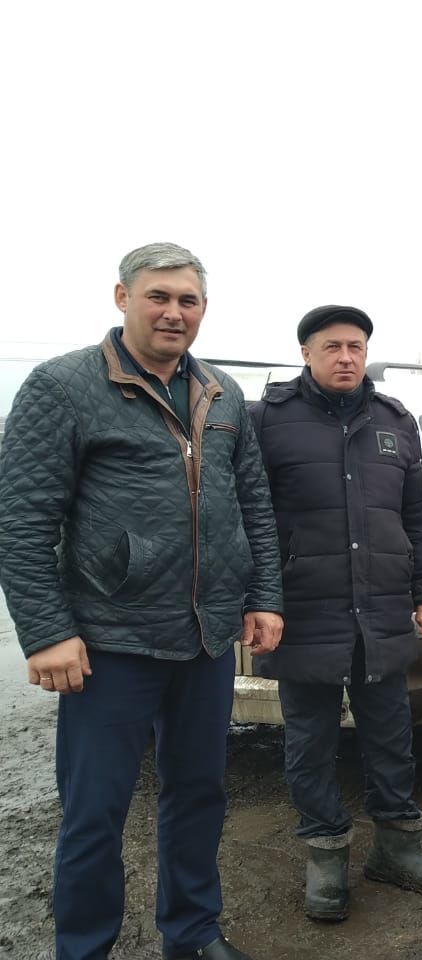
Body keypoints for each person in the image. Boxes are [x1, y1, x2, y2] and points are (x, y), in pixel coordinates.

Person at [0, 242, 284, 960]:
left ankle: (191, 934)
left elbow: (252, 500)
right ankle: (85, 948)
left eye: (187, 300)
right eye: (158, 296)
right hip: (109, 641)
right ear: (121, 297)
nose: (173, 312)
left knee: (199, 795)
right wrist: (45, 633)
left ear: (204, 310)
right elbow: (23, 516)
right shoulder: (64, 387)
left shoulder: (222, 392)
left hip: (206, 637)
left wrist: (262, 596)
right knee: (95, 814)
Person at [249, 305, 422, 920]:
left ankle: (396, 847)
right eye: (333, 346)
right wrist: (256, 598)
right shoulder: (269, 422)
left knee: (391, 735)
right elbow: (251, 518)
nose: (347, 357)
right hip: (303, 610)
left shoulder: (395, 420)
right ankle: (325, 858)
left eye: (357, 347)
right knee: (310, 742)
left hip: (382, 607)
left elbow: (417, 515)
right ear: (307, 353)